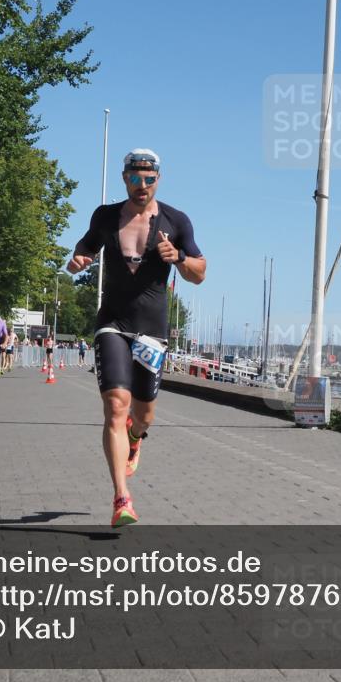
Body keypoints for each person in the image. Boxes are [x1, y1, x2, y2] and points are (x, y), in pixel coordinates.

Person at [67, 148, 205, 526]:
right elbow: (84, 247)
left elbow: (200, 272)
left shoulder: (176, 221)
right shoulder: (106, 216)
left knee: (142, 414)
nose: (141, 185)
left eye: (148, 179)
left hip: (152, 332)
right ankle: (121, 499)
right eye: (134, 178)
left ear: (158, 179)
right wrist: (78, 259)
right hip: (112, 323)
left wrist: (177, 256)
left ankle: (136, 437)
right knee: (115, 406)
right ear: (124, 178)